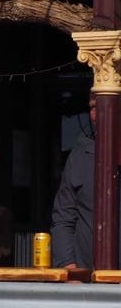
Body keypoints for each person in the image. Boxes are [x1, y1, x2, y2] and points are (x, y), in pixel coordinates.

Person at [51, 94, 95, 269]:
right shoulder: (79, 156)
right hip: (88, 284)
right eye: (92, 107)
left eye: (103, 106)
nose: (95, 115)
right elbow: (63, 218)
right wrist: (70, 270)